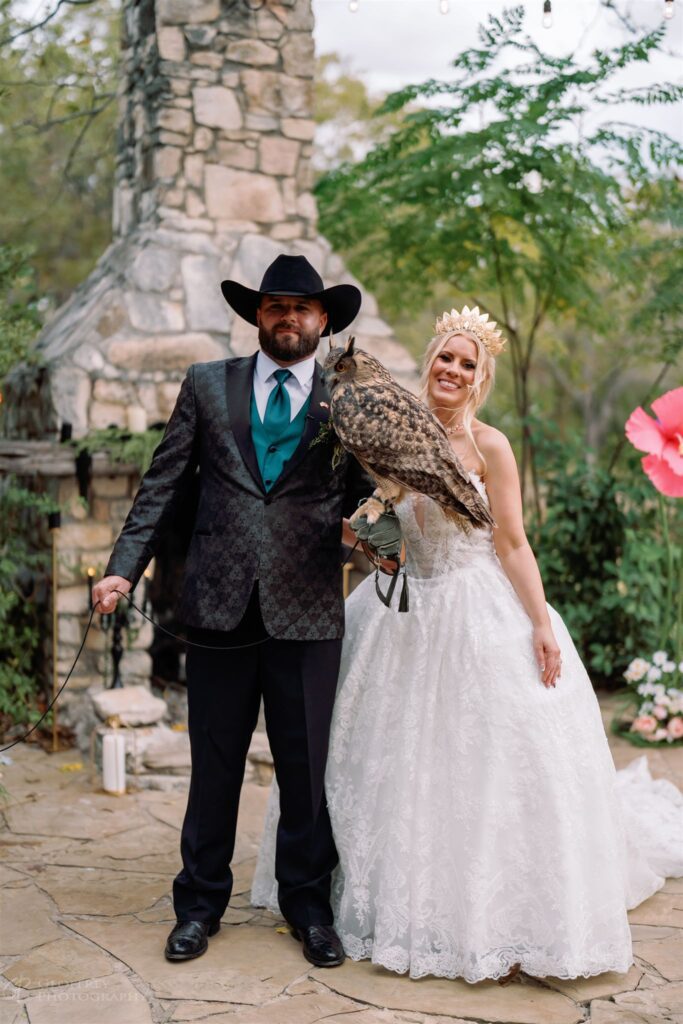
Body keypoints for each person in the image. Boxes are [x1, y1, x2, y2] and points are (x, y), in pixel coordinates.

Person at [252, 306, 683, 983]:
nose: (451, 370)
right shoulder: (382, 435)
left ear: (479, 378)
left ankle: (502, 914)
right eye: (444, 357)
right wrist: (363, 531)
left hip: (475, 607)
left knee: (493, 760)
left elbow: (510, 542)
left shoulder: (490, 447)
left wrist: (540, 623)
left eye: (466, 363)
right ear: (427, 363)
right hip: (399, 613)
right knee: (375, 757)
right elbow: (386, 536)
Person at [92, 254, 373, 968]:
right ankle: (198, 906)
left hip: (308, 608)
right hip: (217, 607)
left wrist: (389, 546)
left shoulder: (348, 400)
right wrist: (122, 571)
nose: (287, 318)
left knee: (305, 768)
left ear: (323, 321)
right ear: (257, 315)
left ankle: (308, 908)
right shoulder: (208, 386)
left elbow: (374, 496)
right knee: (213, 763)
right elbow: (160, 486)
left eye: (301, 308)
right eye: (275, 306)